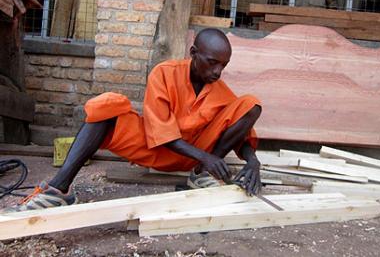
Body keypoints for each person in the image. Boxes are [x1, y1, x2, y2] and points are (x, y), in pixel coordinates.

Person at [4, 28, 262, 212]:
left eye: (223, 65)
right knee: (105, 108)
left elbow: (243, 131)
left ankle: (203, 176)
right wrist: (208, 156)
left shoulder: (221, 90)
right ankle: (58, 189)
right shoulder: (164, 73)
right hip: (154, 147)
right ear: (193, 53)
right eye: (212, 62)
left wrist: (253, 162)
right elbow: (161, 134)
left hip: (196, 159)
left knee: (251, 104)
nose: (218, 71)